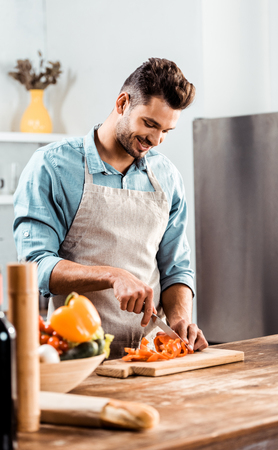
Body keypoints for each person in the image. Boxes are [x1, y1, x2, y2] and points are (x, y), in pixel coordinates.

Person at [13, 57, 208, 358]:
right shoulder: (52, 166)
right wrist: (112, 275)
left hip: (152, 355)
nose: (155, 140)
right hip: (78, 356)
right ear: (122, 103)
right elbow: (35, 266)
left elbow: (176, 269)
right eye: (150, 124)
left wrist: (181, 319)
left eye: (166, 131)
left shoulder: (167, 176)